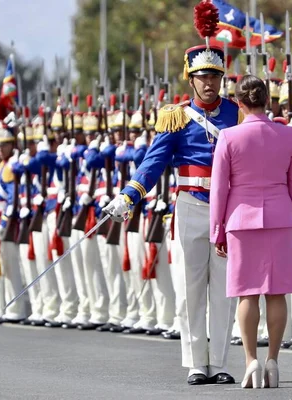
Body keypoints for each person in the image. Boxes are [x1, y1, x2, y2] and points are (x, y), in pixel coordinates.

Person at [104, 39, 241, 384]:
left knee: (225, 289)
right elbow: (154, 161)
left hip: (227, 208)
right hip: (191, 205)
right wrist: (129, 195)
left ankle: (221, 363)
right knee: (191, 287)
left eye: (215, 76)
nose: (209, 83)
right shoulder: (176, 116)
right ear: (190, 79)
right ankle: (197, 362)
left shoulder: (236, 114)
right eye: (202, 76)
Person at [209, 75, 292, 389]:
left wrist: (217, 230)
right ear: (267, 101)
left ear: (239, 103)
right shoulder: (288, 134)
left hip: (241, 220)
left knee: (247, 295)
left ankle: (251, 361)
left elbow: (219, 189)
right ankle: (273, 361)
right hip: (280, 217)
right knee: (277, 293)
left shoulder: (228, 137)